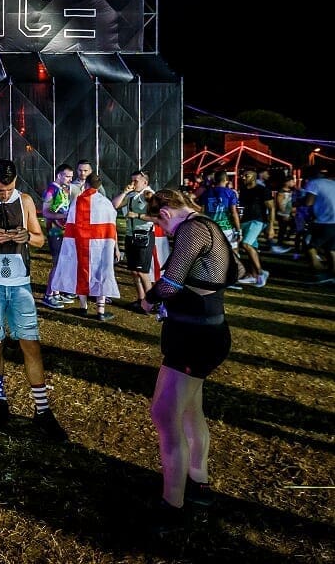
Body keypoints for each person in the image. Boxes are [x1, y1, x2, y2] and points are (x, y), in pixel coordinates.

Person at [140, 189, 245, 534]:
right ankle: (199, 485)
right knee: (190, 411)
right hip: (206, 331)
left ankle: (172, 506)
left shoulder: (191, 229)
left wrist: (148, 300)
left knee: (164, 414)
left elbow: (170, 284)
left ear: (165, 213)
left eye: (160, 224)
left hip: (194, 337)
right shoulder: (210, 225)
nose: (163, 231)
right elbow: (238, 270)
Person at [0, 158, 67, 438]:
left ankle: (42, 410)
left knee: (30, 344)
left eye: (9, 189)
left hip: (20, 284)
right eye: (0, 189)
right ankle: (0, 400)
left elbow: (40, 239)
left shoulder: (25, 201)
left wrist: (26, 236)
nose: (5, 194)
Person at [57, 173, 120, 321]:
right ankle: (100, 310)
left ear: (86, 185)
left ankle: (83, 307)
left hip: (80, 245)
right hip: (101, 245)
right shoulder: (105, 203)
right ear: (99, 186)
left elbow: (71, 224)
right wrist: (115, 247)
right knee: (101, 272)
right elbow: (112, 227)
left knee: (81, 272)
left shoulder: (78, 201)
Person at [112, 170, 157, 312]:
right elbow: (115, 205)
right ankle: (141, 299)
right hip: (130, 235)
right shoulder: (131, 195)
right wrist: (125, 192)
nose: (132, 183)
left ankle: (151, 302)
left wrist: (137, 215)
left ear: (145, 182)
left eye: (135, 181)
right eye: (131, 180)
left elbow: (157, 218)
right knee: (133, 270)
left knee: (142, 271)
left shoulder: (149, 195)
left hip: (144, 235)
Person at [41, 164, 74, 309]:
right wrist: (64, 216)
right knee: (57, 264)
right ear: (59, 175)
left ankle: (56, 292)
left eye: (71, 177)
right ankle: (48, 295)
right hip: (55, 232)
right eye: (67, 176)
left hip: (63, 231)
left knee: (62, 263)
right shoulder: (51, 189)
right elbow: (45, 212)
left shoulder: (62, 189)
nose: (70, 179)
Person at [236, 169, 270, 287]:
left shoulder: (262, 190)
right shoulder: (243, 190)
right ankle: (253, 275)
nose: (243, 177)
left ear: (254, 177)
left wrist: (270, 226)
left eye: (247, 175)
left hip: (257, 220)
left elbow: (272, 208)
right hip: (245, 221)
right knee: (252, 248)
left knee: (246, 244)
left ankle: (261, 273)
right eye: (242, 175)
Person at [302, 166, 335, 283]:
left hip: (323, 221)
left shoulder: (315, 183)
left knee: (309, 246)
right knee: (331, 249)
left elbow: (308, 202)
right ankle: (332, 275)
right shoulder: (333, 184)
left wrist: (299, 202)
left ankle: (319, 273)